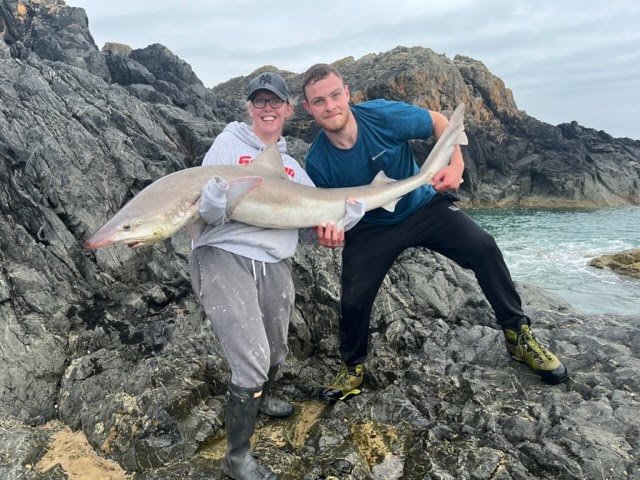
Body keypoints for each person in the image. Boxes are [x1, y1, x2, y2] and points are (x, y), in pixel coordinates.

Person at [300, 63, 569, 401]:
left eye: (335, 95)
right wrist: (329, 234)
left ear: (347, 94)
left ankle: (518, 335)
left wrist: (455, 164)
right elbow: (329, 214)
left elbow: (441, 123)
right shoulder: (317, 162)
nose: (330, 106)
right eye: (319, 101)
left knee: (484, 247)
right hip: (371, 227)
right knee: (353, 299)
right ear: (308, 109)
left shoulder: (382, 116)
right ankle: (352, 366)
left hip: (422, 208)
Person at [190, 72, 313, 480]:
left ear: (288, 109)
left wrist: (335, 223)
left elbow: (314, 216)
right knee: (252, 360)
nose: (267, 108)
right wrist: (211, 200)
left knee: (276, 351)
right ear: (249, 108)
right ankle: (236, 457)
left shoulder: (292, 167)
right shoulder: (227, 145)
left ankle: (262, 397)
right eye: (259, 101)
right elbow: (205, 212)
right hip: (224, 255)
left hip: (274, 262)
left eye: (274, 101)